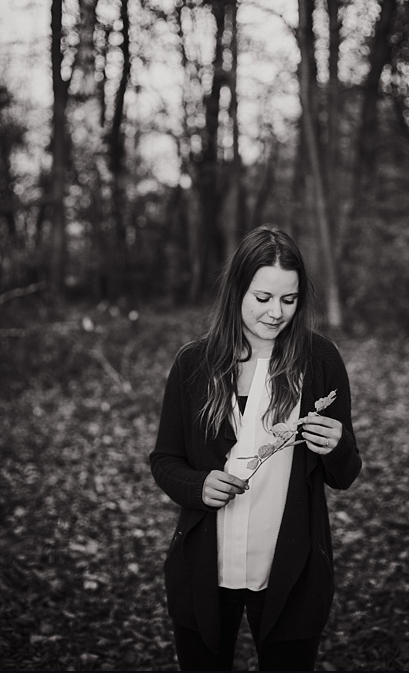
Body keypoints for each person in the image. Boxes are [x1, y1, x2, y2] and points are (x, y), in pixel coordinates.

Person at [150, 224, 362, 671]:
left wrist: (336, 446)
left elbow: (345, 474)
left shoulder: (320, 361)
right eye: (262, 298)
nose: (276, 313)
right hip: (205, 568)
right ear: (237, 290)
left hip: (292, 571)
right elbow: (165, 459)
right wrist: (197, 485)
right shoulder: (194, 363)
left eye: (289, 299)